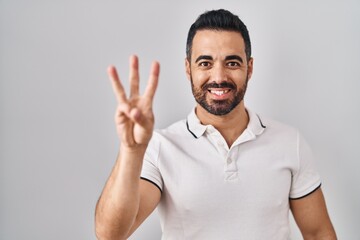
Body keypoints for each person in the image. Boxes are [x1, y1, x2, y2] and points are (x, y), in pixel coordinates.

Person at [95, 9, 337, 240]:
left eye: (232, 63)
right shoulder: (161, 147)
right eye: (205, 63)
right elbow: (111, 234)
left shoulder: (289, 142)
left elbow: (319, 234)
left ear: (249, 68)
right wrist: (132, 150)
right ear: (188, 68)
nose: (219, 77)